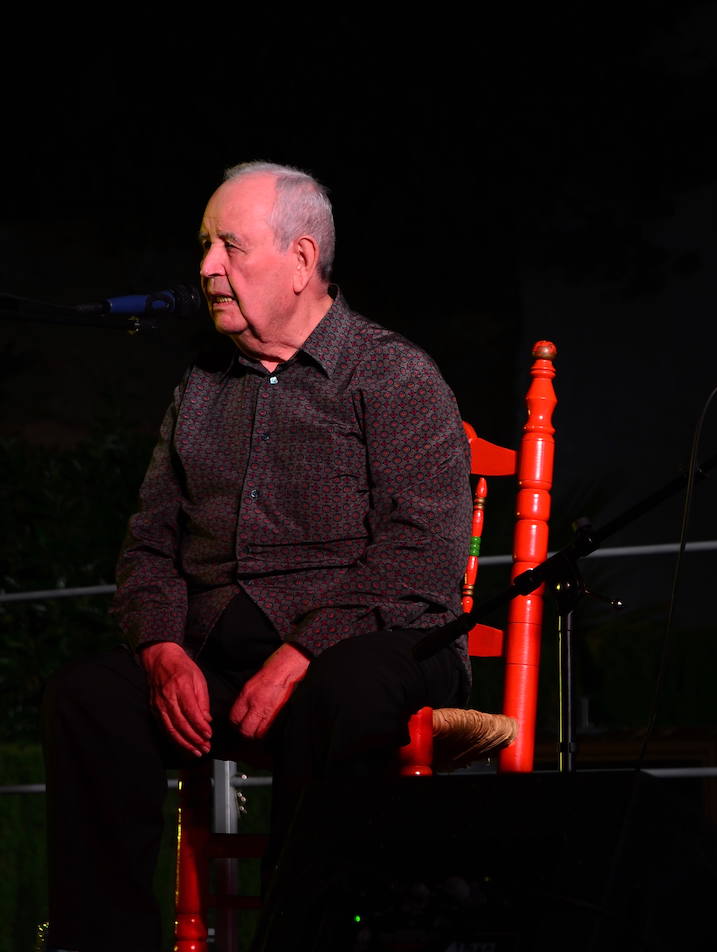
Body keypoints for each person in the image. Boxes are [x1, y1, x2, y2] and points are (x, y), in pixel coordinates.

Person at [42, 162, 473, 952]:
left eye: (230, 248)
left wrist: (299, 654)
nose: (207, 268)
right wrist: (163, 650)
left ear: (302, 260)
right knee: (88, 698)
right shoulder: (202, 388)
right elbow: (148, 543)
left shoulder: (392, 374)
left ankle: (303, 936)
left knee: (346, 690)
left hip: (366, 641)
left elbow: (423, 555)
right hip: (220, 655)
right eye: (205, 247)